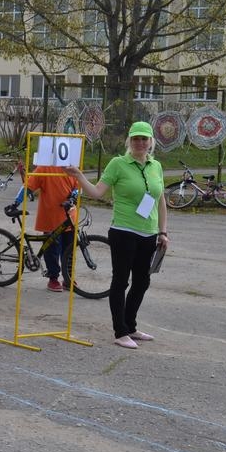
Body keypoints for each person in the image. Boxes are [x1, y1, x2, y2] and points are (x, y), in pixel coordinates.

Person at [66, 121, 169, 349]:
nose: (140, 143)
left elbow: (161, 200)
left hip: (149, 233)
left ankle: (130, 326)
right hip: (123, 231)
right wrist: (79, 176)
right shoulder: (118, 164)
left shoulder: (156, 166)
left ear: (151, 142)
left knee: (142, 281)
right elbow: (96, 192)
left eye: (144, 139)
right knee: (121, 280)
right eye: (136, 139)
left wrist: (163, 231)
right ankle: (120, 331)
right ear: (129, 141)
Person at [7, 165, 77, 292]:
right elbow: (28, 186)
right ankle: (53, 278)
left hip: (69, 217)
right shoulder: (45, 167)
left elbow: (77, 186)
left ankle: (68, 278)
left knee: (70, 249)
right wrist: (16, 203)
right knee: (52, 249)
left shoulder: (71, 167)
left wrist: (73, 197)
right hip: (50, 216)